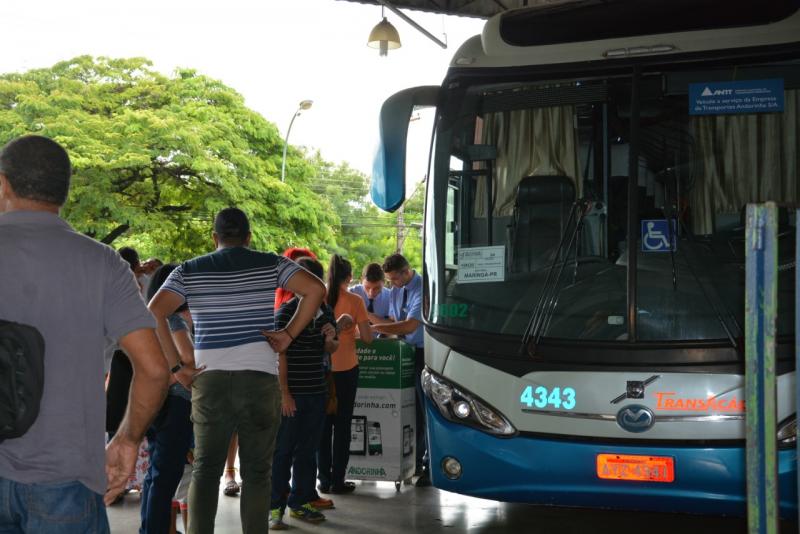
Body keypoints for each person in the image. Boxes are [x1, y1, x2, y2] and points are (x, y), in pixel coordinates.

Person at [0, 135, 169, 531]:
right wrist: (126, 441)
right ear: (63, 192)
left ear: (3, 183)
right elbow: (155, 370)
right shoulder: (103, 263)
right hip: (66, 480)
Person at [148, 207, 325, 534]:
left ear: (214, 237)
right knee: (258, 473)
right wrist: (287, 335)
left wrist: (176, 368)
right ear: (248, 237)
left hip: (209, 380)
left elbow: (154, 312)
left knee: (205, 471)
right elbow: (316, 289)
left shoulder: (189, 270)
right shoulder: (271, 262)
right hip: (260, 379)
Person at [269, 257, 338, 529]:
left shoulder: (325, 311)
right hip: (292, 394)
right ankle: (275, 507)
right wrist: (285, 394)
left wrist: (331, 339)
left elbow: (330, 350)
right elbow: (279, 356)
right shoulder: (285, 314)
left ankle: (301, 503)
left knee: (308, 451)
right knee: (283, 451)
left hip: (317, 391)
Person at [140, 264, 198, 534]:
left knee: (155, 476)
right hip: (175, 404)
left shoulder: (147, 320)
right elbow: (188, 356)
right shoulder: (172, 318)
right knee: (165, 479)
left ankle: (148, 528)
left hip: (155, 402)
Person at [371, 253, 430, 487]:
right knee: (411, 411)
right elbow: (396, 320)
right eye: (390, 280)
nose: (392, 284)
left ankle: (429, 466)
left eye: (395, 279)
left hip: (424, 353)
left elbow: (409, 325)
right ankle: (412, 461)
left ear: (406, 272)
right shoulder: (397, 290)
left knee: (426, 412)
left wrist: (374, 326)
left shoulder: (422, 287)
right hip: (405, 352)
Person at [318, 255, 374, 495]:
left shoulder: (319, 297)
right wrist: (353, 334)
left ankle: (323, 480)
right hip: (347, 370)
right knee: (342, 427)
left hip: (321, 372)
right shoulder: (355, 300)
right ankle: (338, 481)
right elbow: (369, 339)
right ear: (350, 277)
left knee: (322, 427)